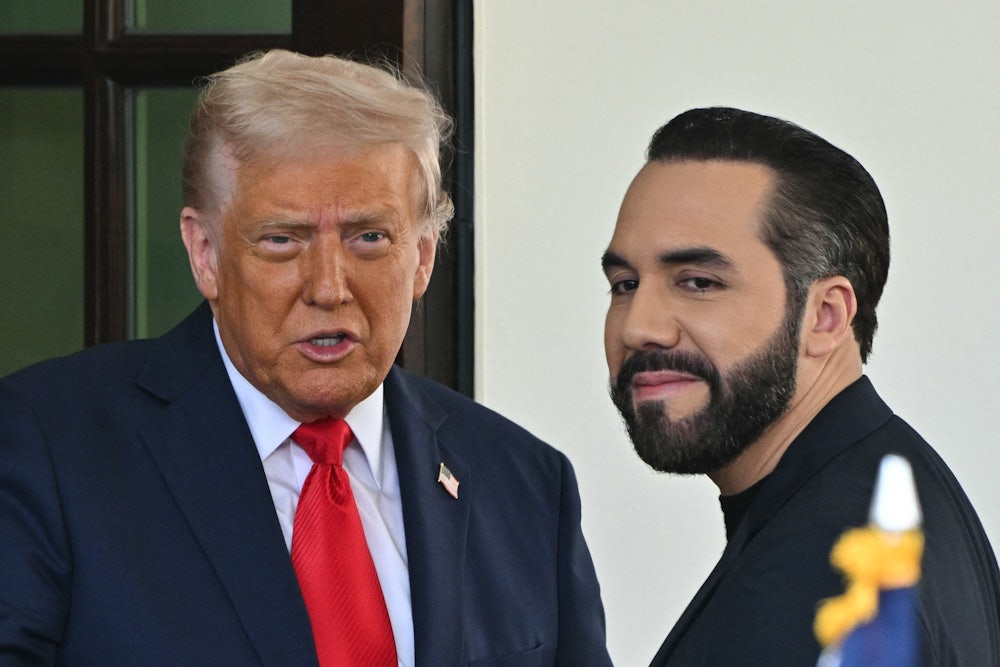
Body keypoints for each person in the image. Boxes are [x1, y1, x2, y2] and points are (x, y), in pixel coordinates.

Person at [0, 49, 611, 666]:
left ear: (422, 256)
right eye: (282, 240)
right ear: (205, 253)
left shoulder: (526, 484)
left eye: (368, 237)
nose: (328, 287)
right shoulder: (48, 450)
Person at [602, 107, 1000, 665]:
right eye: (624, 284)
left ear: (826, 317)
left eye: (698, 282)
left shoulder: (814, 579)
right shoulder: (895, 496)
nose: (638, 326)